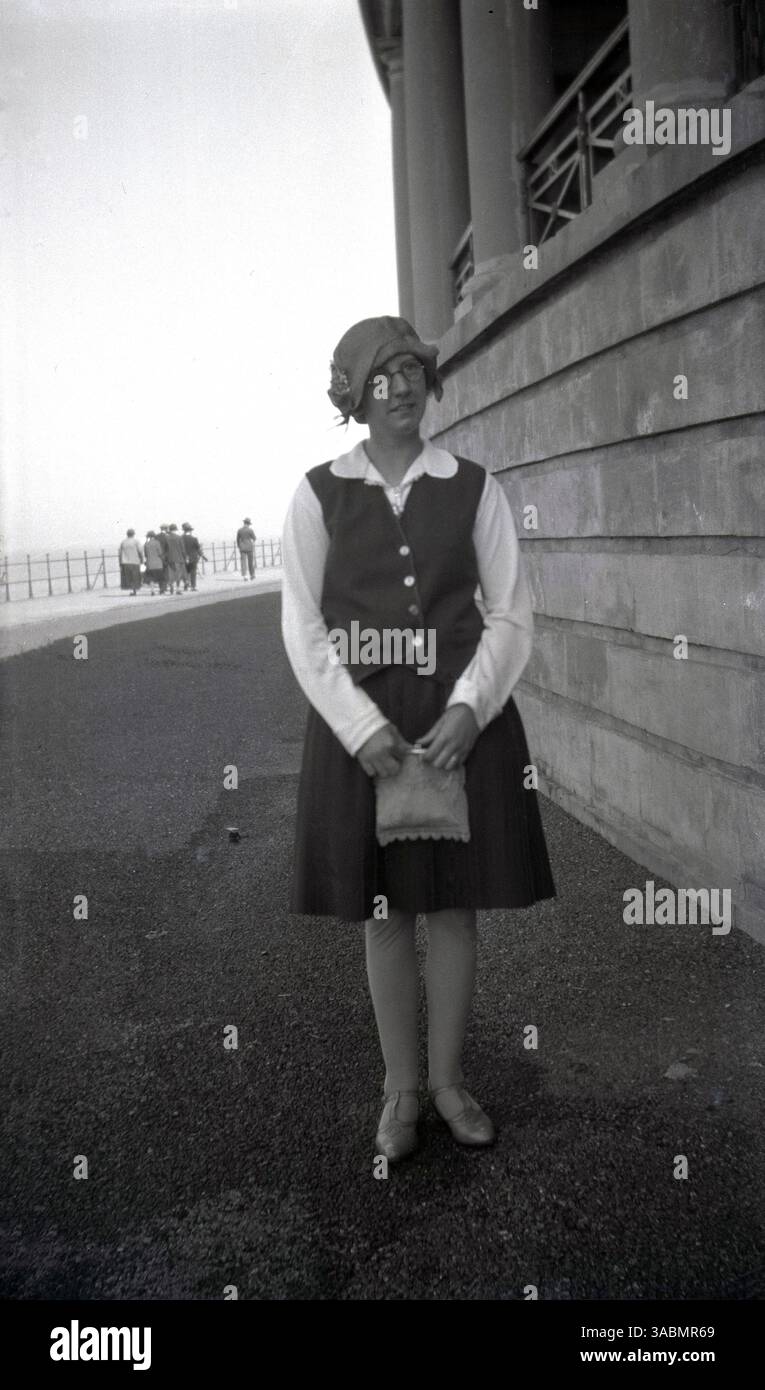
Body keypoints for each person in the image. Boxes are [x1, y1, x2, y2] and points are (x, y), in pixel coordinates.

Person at [281, 316, 556, 1164]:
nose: (400, 386)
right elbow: (301, 623)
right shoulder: (316, 492)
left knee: (452, 902)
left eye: (411, 370)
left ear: (430, 384)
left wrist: (474, 707)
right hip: (361, 727)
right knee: (386, 910)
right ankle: (399, 1089)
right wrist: (359, 728)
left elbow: (510, 613)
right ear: (353, 395)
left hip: (458, 720)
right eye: (380, 375)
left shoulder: (473, 486)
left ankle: (446, 1081)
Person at [181, 523, 207, 592]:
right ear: (190, 531)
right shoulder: (194, 539)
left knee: (186, 571)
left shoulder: (181, 539)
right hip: (193, 558)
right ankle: (193, 586)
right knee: (193, 572)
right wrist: (203, 556)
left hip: (184, 558)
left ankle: (186, 584)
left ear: (184, 530)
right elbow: (198, 549)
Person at [118, 528, 143, 596]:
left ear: (127, 534)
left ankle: (133, 590)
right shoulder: (136, 541)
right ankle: (134, 590)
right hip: (135, 561)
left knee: (128, 577)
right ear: (133, 534)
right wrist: (142, 559)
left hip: (125, 562)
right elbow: (140, 551)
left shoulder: (123, 542)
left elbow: (120, 553)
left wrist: (120, 562)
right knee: (135, 576)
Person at [165, 523, 188, 594]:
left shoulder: (167, 538)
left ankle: (171, 585)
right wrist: (185, 557)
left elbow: (165, 549)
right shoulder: (179, 537)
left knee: (171, 573)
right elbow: (183, 549)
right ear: (175, 530)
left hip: (170, 558)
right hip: (179, 558)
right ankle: (178, 589)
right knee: (178, 574)